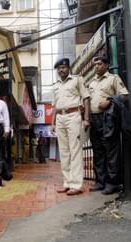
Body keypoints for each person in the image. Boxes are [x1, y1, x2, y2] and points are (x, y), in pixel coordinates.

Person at [88, 56, 129, 195]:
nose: (96, 67)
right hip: (94, 119)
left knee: (111, 151)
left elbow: (124, 95)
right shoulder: (92, 82)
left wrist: (110, 100)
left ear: (106, 65)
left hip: (108, 118)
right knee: (98, 151)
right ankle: (100, 182)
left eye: (99, 64)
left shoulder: (113, 78)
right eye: (95, 65)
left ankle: (113, 183)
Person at [51, 58, 90, 196]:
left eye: (63, 67)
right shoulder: (55, 85)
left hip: (74, 116)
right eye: (59, 68)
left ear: (68, 68)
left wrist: (86, 119)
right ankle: (67, 183)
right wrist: (52, 123)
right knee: (64, 152)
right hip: (60, 118)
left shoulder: (77, 79)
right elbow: (55, 106)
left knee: (75, 150)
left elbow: (86, 98)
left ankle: (77, 185)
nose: (61, 70)